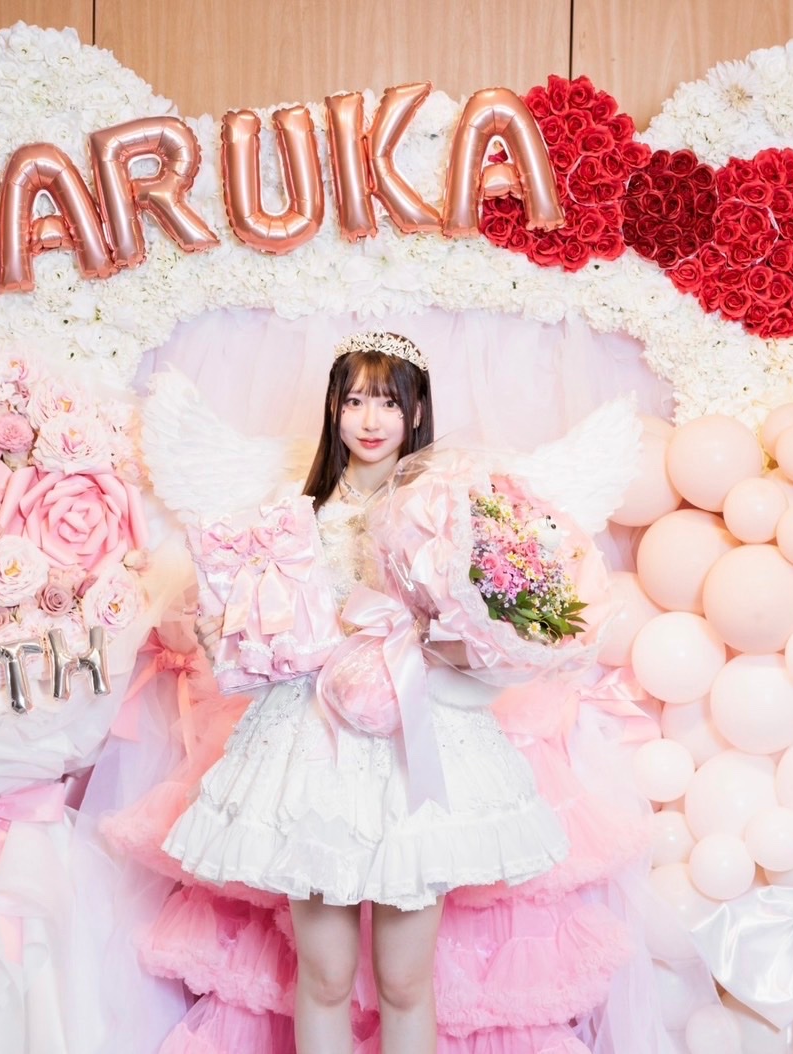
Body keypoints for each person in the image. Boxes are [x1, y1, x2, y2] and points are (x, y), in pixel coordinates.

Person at [158, 331, 569, 1054]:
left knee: (406, 981)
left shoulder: (452, 512)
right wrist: (225, 623)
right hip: (315, 737)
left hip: (419, 732)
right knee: (324, 977)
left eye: (388, 402)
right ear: (333, 409)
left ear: (417, 411)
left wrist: (460, 628)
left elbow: (475, 630)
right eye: (354, 401)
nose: (370, 420)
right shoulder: (293, 514)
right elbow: (258, 618)